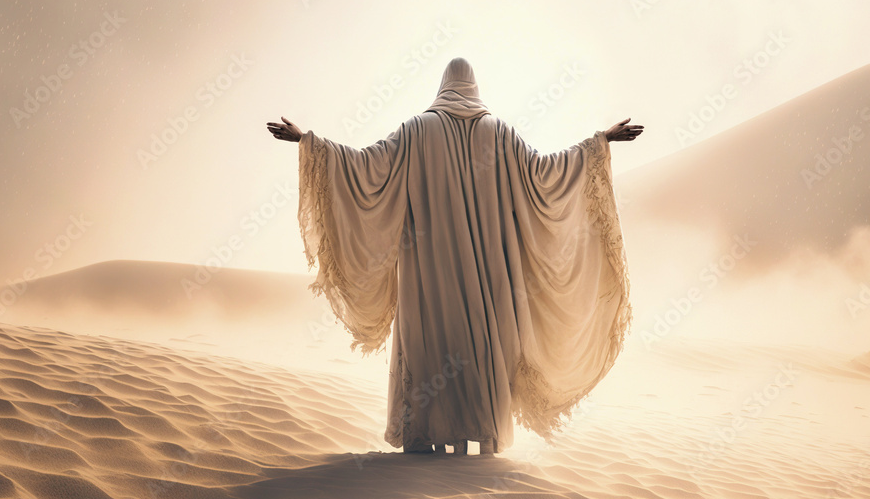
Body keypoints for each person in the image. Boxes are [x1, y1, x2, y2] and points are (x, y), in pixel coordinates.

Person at [267, 57, 642, 456]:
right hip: (490, 273)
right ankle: (480, 440)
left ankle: (433, 437)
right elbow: (546, 173)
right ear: (474, 86)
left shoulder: (417, 131)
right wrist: (600, 141)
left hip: (429, 272)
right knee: (481, 349)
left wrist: (307, 141)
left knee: (433, 348)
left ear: (443, 85)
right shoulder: (499, 133)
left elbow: (364, 167)